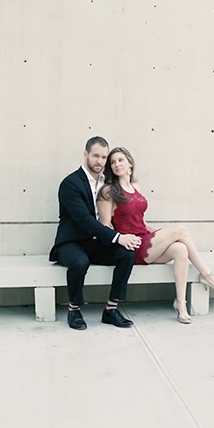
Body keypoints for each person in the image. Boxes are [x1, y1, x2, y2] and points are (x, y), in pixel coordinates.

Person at [97, 147, 214, 324]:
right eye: (112, 162)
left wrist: (158, 232)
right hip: (132, 246)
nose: (116, 164)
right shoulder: (108, 192)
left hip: (145, 238)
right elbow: (104, 226)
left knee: (181, 249)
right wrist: (122, 239)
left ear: (130, 163)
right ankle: (207, 274)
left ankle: (180, 304)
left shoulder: (136, 187)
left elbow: (139, 222)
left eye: (120, 160)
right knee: (180, 230)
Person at [49, 137, 142, 331]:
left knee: (127, 254)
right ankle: (74, 309)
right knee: (79, 262)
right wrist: (118, 237)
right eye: (95, 156)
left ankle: (111, 310)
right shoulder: (70, 183)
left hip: (97, 243)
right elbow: (84, 219)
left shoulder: (107, 183)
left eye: (103, 157)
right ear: (86, 155)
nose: (100, 161)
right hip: (71, 243)